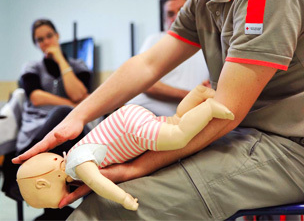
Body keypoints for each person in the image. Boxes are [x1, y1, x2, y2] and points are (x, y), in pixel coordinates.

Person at [13, 0, 304, 220]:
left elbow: (224, 112)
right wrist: (77, 116)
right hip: (242, 138)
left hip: (290, 153)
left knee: (110, 208)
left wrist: (136, 167)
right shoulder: (203, 1)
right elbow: (147, 64)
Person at [17, 85, 233, 211]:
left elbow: (99, 182)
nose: (62, 203)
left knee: (178, 137)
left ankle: (208, 108)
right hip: (127, 118)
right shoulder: (73, 154)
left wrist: (123, 199)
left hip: (131, 131)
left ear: (43, 182)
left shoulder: (76, 165)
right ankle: (197, 95)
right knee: (175, 121)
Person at [5, 18, 92, 220]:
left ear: (58, 35)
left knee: (70, 121)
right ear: (36, 44)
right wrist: (71, 105)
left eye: (49, 36)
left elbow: (79, 94)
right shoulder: (31, 67)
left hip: (69, 138)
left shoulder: (78, 66)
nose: (46, 42)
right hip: (35, 137)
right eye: (40, 39)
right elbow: (36, 97)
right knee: (64, 113)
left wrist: (61, 60)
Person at [126, 0, 210, 116]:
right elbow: (145, 84)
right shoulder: (156, 40)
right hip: (144, 114)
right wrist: (191, 96)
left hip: (185, 120)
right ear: (165, 20)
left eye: (182, 10)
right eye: (170, 14)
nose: (177, 17)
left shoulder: (208, 46)